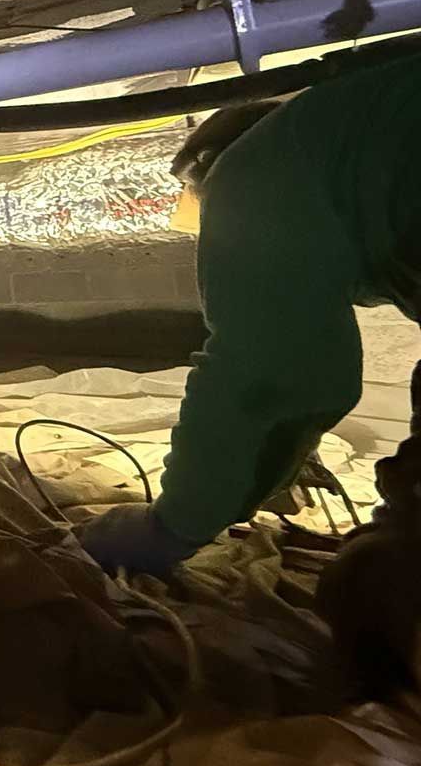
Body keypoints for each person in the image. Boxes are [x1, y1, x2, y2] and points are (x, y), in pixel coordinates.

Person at [80, 50, 421, 686]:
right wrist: (272, 471)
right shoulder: (370, 153)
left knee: (373, 587)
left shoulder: (255, 170)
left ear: (208, 169)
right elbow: (312, 380)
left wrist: (171, 526)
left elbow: (260, 374)